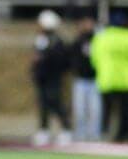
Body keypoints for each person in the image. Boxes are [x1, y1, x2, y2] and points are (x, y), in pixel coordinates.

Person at [90, 13, 128, 141]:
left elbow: (94, 58)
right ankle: (122, 135)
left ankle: (104, 134)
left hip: (107, 79)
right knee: (126, 111)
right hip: (127, 80)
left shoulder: (101, 37)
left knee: (106, 110)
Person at [31, 10, 71, 146]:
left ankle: (66, 129)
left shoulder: (56, 41)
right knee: (43, 105)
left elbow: (60, 61)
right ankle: (44, 130)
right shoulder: (41, 39)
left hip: (52, 78)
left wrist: (44, 60)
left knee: (55, 103)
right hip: (43, 78)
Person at [70, 15, 101, 141]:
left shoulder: (98, 40)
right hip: (81, 80)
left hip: (94, 80)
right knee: (80, 110)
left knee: (95, 111)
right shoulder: (78, 41)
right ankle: (80, 134)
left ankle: (94, 134)